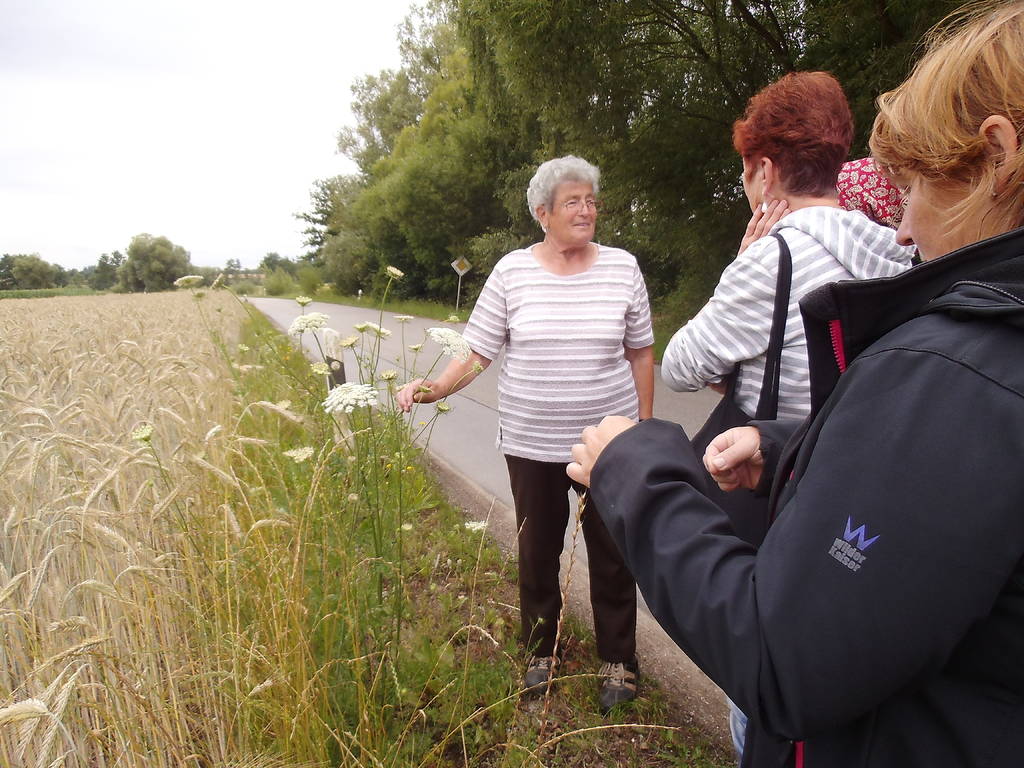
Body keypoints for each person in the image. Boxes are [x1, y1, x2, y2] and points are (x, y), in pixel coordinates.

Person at [567, 2, 1024, 765]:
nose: (906, 227)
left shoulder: (956, 361)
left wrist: (632, 465)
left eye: (912, 186)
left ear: (998, 155)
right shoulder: (890, 252)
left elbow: (787, 660)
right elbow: (946, 484)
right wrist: (790, 447)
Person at [660, 70, 914, 758]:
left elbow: (680, 363)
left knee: (766, 687)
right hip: (872, 501)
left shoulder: (769, 259)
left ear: (765, 172)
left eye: (748, 173)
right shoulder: (900, 248)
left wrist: (738, 265)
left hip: (779, 496)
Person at [397, 155, 655, 713]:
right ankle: (540, 650)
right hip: (531, 443)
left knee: (613, 551)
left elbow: (640, 353)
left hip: (607, 444)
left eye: (590, 200)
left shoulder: (621, 268)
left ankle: (620, 658)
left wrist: (645, 429)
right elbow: (480, 348)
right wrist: (437, 386)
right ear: (543, 213)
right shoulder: (512, 272)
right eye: (572, 202)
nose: (585, 210)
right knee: (538, 550)